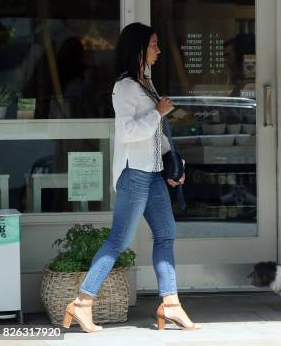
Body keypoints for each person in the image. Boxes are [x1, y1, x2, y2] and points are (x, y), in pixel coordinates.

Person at [62, 22, 200, 332]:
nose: (159, 51)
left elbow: (155, 136)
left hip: (152, 174)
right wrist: (158, 113)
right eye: (153, 45)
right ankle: (82, 303)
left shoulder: (145, 84)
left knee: (165, 234)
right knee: (118, 240)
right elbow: (128, 132)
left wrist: (173, 164)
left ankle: (171, 304)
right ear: (138, 48)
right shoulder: (124, 87)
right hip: (134, 174)